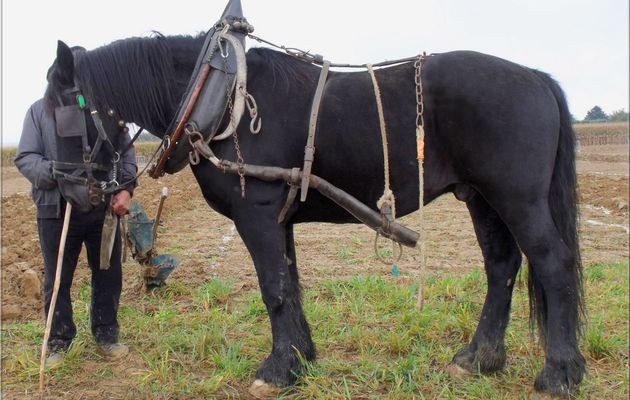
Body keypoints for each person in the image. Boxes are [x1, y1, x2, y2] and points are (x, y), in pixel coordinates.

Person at [14, 97, 137, 367]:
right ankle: (58, 340)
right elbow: (26, 157)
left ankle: (106, 333)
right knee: (59, 278)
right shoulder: (39, 111)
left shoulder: (108, 109)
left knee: (108, 271)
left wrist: (126, 188)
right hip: (56, 209)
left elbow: (126, 152)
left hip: (103, 208)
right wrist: (58, 174)